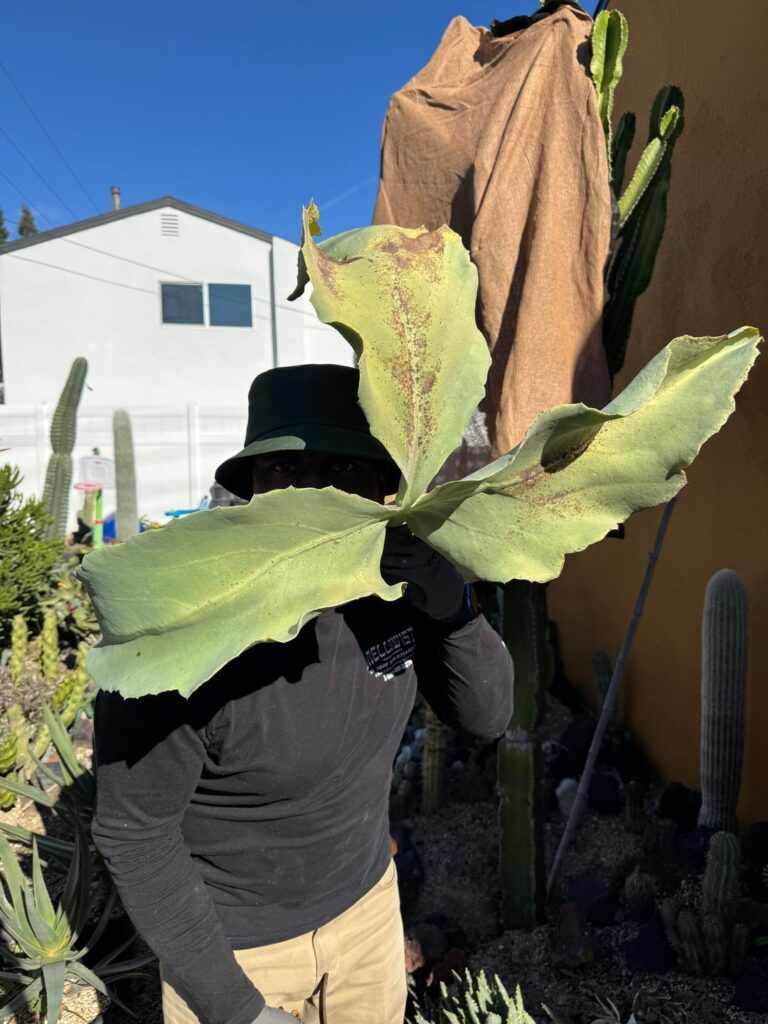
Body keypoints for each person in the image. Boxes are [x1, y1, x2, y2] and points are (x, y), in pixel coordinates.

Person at [92, 363, 514, 1024]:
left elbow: (487, 717)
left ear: (382, 491)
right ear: (254, 491)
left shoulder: (393, 593)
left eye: (344, 472)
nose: (313, 495)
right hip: (240, 948)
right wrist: (237, 1009)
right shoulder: (179, 636)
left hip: (369, 907)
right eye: (286, 473)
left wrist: (453, 609)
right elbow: (134, 832)